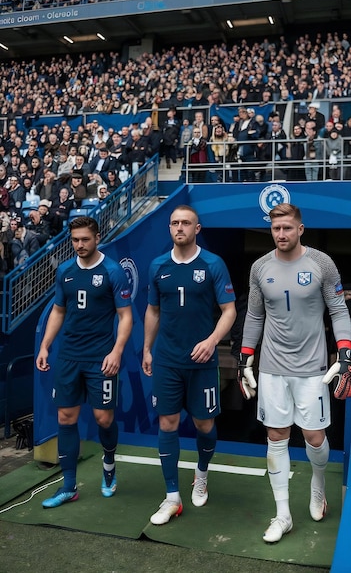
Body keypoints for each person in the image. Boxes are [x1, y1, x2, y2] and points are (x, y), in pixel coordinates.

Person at [238, 203, 351, 544]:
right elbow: (255, 316)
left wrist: (345, 350)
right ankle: (283, 514)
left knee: (314, 437)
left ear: (300, 229)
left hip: (313, 369)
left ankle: (318, 486)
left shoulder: (321, 263)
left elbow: (338, 309)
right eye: (276, 229)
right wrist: (246, 358)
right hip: (272, 367)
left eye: (288, 228)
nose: (282, 234)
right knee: (276, 436)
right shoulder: (260, 267)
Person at [142, 205, 236, 525]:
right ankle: (172, 498)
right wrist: (146, 349)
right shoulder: (157, 265)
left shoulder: (212, 263)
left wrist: (211, 342)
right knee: (167, 424)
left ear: (197, 228)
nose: (179, 227)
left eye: (186, 223)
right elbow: (153, 311)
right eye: (175, 223)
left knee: (204, 426)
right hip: (168, 359)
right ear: (169, 228)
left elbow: (229, 311)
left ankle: (202, 472)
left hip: (202, 361)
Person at [36, 216, 133, 508]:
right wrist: (45, 346)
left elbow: (125, 316)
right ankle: (68, 486)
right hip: (68, 357)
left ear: (97, 237)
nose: (79, 245)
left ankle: (109, 463)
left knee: (104, 418)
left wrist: (116, 351)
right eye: (75, 240)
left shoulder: (113, 271)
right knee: (66, 418)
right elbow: (58, 311)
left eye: (85, 239)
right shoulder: (65, 271)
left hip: (100, 358)